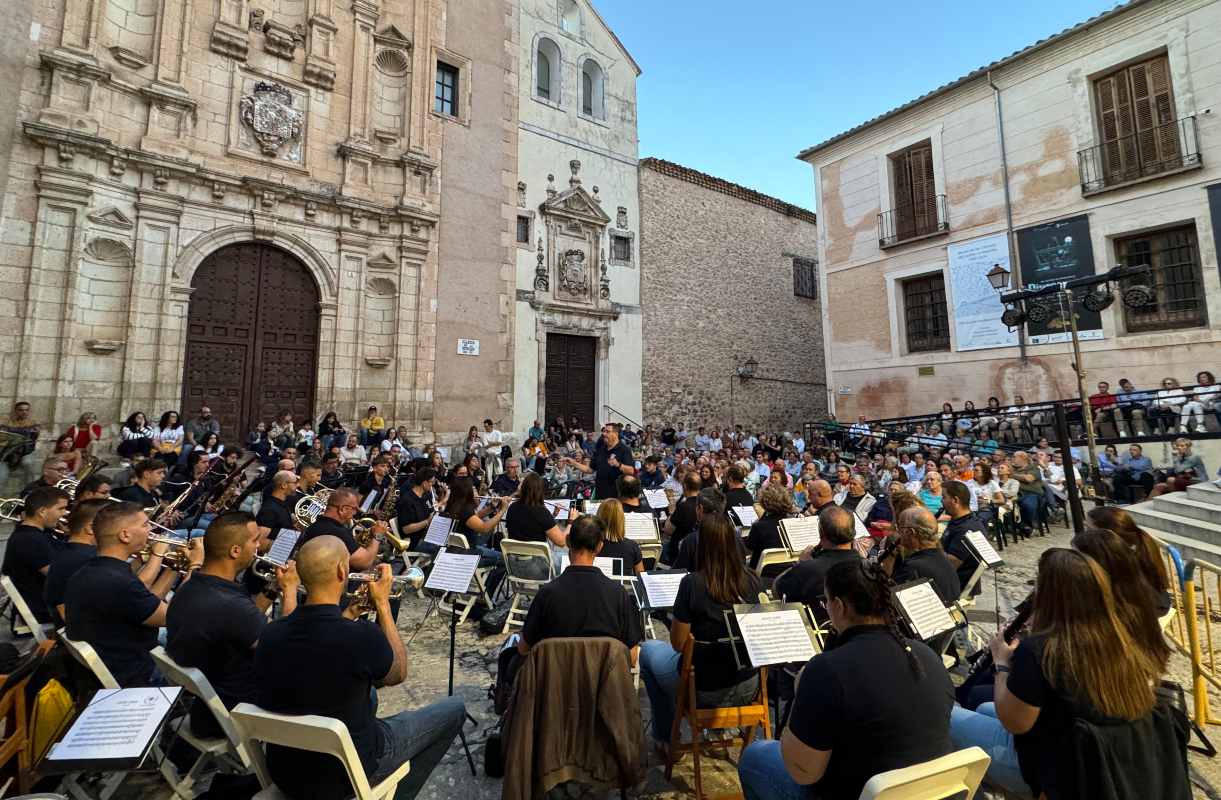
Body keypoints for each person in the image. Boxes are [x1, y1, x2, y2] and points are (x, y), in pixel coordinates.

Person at [253, 536, 465, 800]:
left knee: (369, 695)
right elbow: (398, 673)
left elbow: (308, 642)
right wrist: (384, 605)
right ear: (343, 571)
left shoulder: (271, 634)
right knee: (455, 709)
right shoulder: (361, 636)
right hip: (345, 774)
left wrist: (350, 613)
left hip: (286, 771)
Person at [949, 549, 1169, 797]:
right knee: (980, 708)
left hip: (1058, 770)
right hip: (1105, 756)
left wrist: (1001, 663)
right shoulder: (1121, 638)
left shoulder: (1041, 649)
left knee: (945, 717)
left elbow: (1015, 722)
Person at [738, 558, 953, 800]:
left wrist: (802, 698)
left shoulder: (827, 670)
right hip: (927, 792)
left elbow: (803, 773)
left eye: (826, 601)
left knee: (755, 757)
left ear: (839, 606)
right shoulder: (926, 655)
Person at [639, 514, 765, 752]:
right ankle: (716, 730)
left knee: (647, 651)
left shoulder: (693, 583)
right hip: (748, 685)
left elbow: (677, 644)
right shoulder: (753, 581)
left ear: (702, 545)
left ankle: (667, 738)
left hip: (702, 690)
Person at [167, 512, 299, 739]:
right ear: (235, 551)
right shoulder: (229, 605)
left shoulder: (192, 586)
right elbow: (287, 647)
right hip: (236, 712)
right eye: (255, 540)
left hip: (207, 707)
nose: (259, 546)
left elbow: (242, 625)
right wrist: (291, 591)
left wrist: (271, 589)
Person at [65, 502, 202, 686]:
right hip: (138, 675)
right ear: (125, 535)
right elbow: (176, 615)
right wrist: (195, 565)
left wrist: (176, 567)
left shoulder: (95, 570)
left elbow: (149, 601)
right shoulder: (117, 581)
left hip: (112, 666)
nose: (152, 529)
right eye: (145, 525)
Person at [517, 515, 642, 660]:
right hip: (602, 680)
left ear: (568, 541)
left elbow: (523, 649)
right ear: (600, 546)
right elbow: (632, 657)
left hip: (556, 679)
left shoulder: (547, 593)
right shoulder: (618, 593)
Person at [773, 507, 861, 624]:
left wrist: (800, 564)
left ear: (821, 533)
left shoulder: (807, 569)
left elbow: (777, 591)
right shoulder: (868, 567)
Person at [1, 486, 70, 624]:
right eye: (60, 509)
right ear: (42, 511)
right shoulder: (29, 539)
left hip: (49, 605)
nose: (65, 513)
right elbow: (57, 577)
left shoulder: (40, 534)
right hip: (45, 610)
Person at [1087, 506, 1172, 615]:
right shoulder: (1136, 542)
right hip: (1148, 602)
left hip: (1148, 609)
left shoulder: (1122, 557)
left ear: (1108, 534)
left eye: (1089, 529)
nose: (1085, 533)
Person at [44, 498, 108, 626]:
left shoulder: (69, 549)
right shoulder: (89, 560)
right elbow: (140, 601)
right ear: (91, 528)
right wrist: (157, 555)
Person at [887, 507, 960, 603]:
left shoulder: (913, 568)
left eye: (899, 528)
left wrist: (888, 561)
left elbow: (886, 601)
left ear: (910, 532)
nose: (898, 533)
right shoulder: (944, 560)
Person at [300, 487, 382, 571]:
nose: (355, 513)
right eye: (354, 509)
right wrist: (377, 535)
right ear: (343, 509)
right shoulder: (337, 532)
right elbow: (364, 562)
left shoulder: (316, 525)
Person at [561, 423, 635, 499]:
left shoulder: (624, 450)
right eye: (604, 431)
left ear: (615, 434)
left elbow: (631, 471)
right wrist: (573, 463)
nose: (604, 434)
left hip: (616, 497)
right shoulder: (600, 449)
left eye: (607, 431)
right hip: (600, 494)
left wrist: (618, 465)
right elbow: (589, 469)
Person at [941, 481, 985, 597]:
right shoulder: (959, 520)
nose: (941, 501)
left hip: (956, 584)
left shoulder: (967, 528)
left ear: (955, 500)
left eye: (944, 497)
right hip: (950, 578)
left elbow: (951, 564)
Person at [504, 472, 570, 549]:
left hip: (513, 556)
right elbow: (561, 542)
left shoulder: (512, 507)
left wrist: (553, 515)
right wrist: (571, 522)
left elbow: (534, 524)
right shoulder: (541, 512)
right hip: (536, 558)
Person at [745, 483, 794, 571]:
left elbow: (749, 546)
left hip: (762, 571)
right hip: (788, 570)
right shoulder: (792, 522)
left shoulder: (759, 526)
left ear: (764, 502)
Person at [595, 499, 644, 574]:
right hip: (623, 585)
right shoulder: (632, 546)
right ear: (621, 519)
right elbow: (641, 575)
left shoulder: (591, 544)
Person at [662, 472, 700, 563]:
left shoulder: (684, 506)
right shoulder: (703, 503)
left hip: (680, 549)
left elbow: (668, 530)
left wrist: (671, 512)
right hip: (697, 548)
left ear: (685, 486)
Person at [257, 470, 299, 536]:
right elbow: (261, 539)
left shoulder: (283, 503)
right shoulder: (269, 510)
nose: (298, 485)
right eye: (295, 483)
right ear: (284, 485)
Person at [1011, 451, 1044, 534]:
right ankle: (1022, 526)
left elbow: (1028, 479)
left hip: (1031, 493)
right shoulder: (1013, 469)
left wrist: (1011, 475)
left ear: (1023, 458)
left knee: (1028, 504)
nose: (1012, 459)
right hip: (1016, 494)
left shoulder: (1033, 468)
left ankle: (1031, 524)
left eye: (1014, 457)